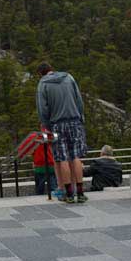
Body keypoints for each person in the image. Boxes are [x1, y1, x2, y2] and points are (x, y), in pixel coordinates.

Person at [36, 62, 88, 204]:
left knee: (62, 158)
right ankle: (80, 192)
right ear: (52, 69)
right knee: (76, 156)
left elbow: (42, 109)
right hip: (75, 121)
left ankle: (68, 194)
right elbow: (79, 100)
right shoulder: (69, 77)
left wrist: (46, 125)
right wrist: (80, 117)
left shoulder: (43, 84)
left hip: (57, 125)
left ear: (40, 73)